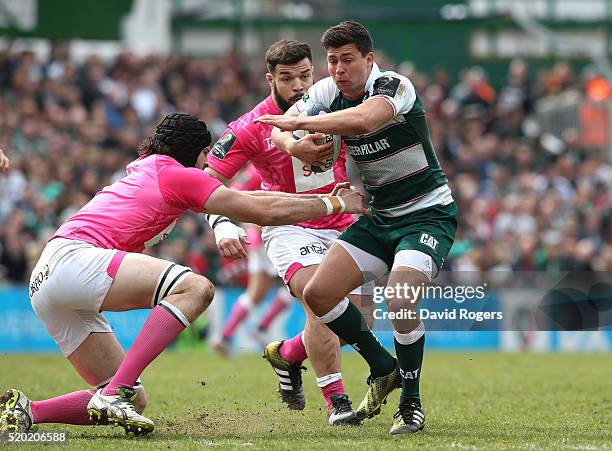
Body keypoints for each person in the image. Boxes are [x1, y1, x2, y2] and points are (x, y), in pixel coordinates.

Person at [0, 113, 367, 435]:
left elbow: (260, 201)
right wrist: (333, 203)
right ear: (195, 150)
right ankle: (114, 393)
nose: (209, 162)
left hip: (46, 277)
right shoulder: (177, 174)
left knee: (136, 400)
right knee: (195, 288)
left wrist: (322, 198)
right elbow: (258, 207)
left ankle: (27, 411)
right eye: (206, 154)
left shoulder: (148, 167)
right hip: (75, 259)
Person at [255, 21, 458, 435]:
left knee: (400, 300)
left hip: (426, 214)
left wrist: (297, 126)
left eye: (347, 60)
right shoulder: (326, 92)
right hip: (378, 216)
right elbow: (280, 127)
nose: (338, 69)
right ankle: (383, 365)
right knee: (318, 292)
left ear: (369, 59)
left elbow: (365, 121)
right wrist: (294, 141)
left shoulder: (393, 86)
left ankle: (411, 403)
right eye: (331, 61)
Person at [205, 39, 374, 426]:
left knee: (355, 324)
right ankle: (337, 402)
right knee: (322, 298)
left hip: (343, 222)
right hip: (289, 228)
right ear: (270, 80)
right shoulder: (250, 127)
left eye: (304, 75)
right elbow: (208, 178)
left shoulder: (338, 105)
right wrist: (222, 223)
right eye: (287, 78)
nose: (299, 86)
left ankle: (288, 353)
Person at [212, 165, 295, 355]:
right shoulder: (264, 169)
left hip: (257, 238)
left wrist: (249, 225)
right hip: (272, 235)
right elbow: (232, 197)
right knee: (299, 284)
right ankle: (262, 328)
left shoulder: (253, 170)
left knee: (256, 292)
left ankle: (225, 336)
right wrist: (254, 223)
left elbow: (234, 195)